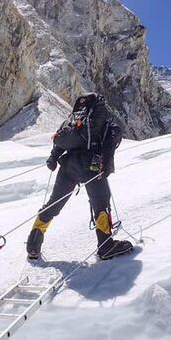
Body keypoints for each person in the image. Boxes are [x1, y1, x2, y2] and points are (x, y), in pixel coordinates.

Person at [27, 93, 133, 261]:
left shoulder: (74, 121)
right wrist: (106, 167)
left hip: (68, 166)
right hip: (91, 166)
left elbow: (60, 140)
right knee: (101, 203)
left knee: (54, 203)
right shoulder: (106, 123)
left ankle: (33, 245)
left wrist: (53, 159)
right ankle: (106, 246)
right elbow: (109, 146)